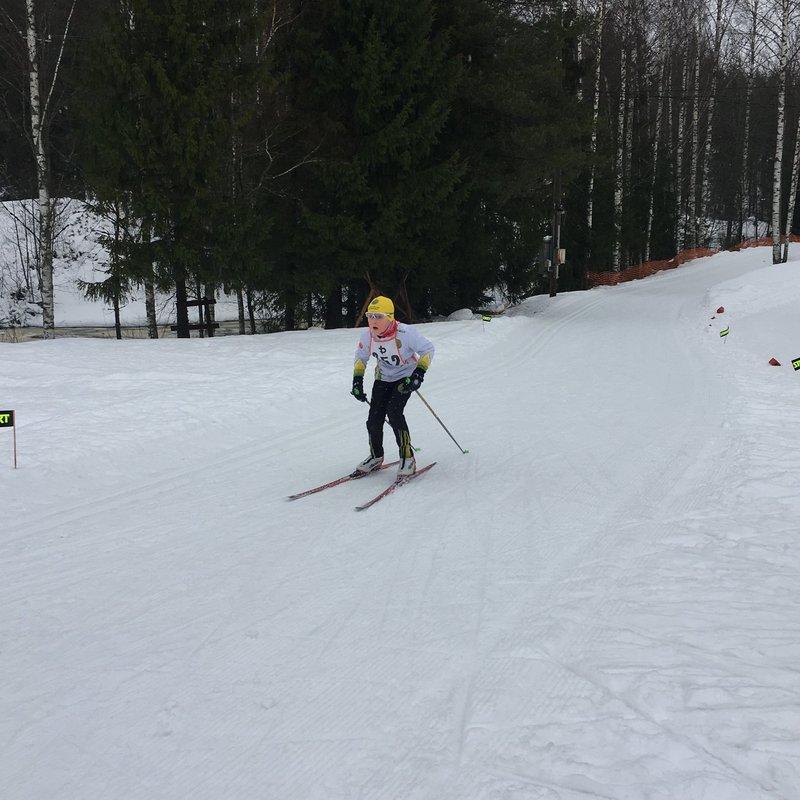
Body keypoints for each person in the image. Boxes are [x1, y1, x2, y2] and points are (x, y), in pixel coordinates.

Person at [351, 295, 434, 476]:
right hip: (383, 377)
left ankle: (408, 458)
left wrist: (418, 374)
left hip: (405, 377)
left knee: (394, 412)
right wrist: (357, 381)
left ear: (390, 317)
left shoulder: (406, 333)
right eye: (370, 316)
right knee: (374, 419)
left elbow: (428, 349)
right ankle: (376, 456)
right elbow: (361, 358)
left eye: (378, 316)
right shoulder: (367, 336)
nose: (373, 321)